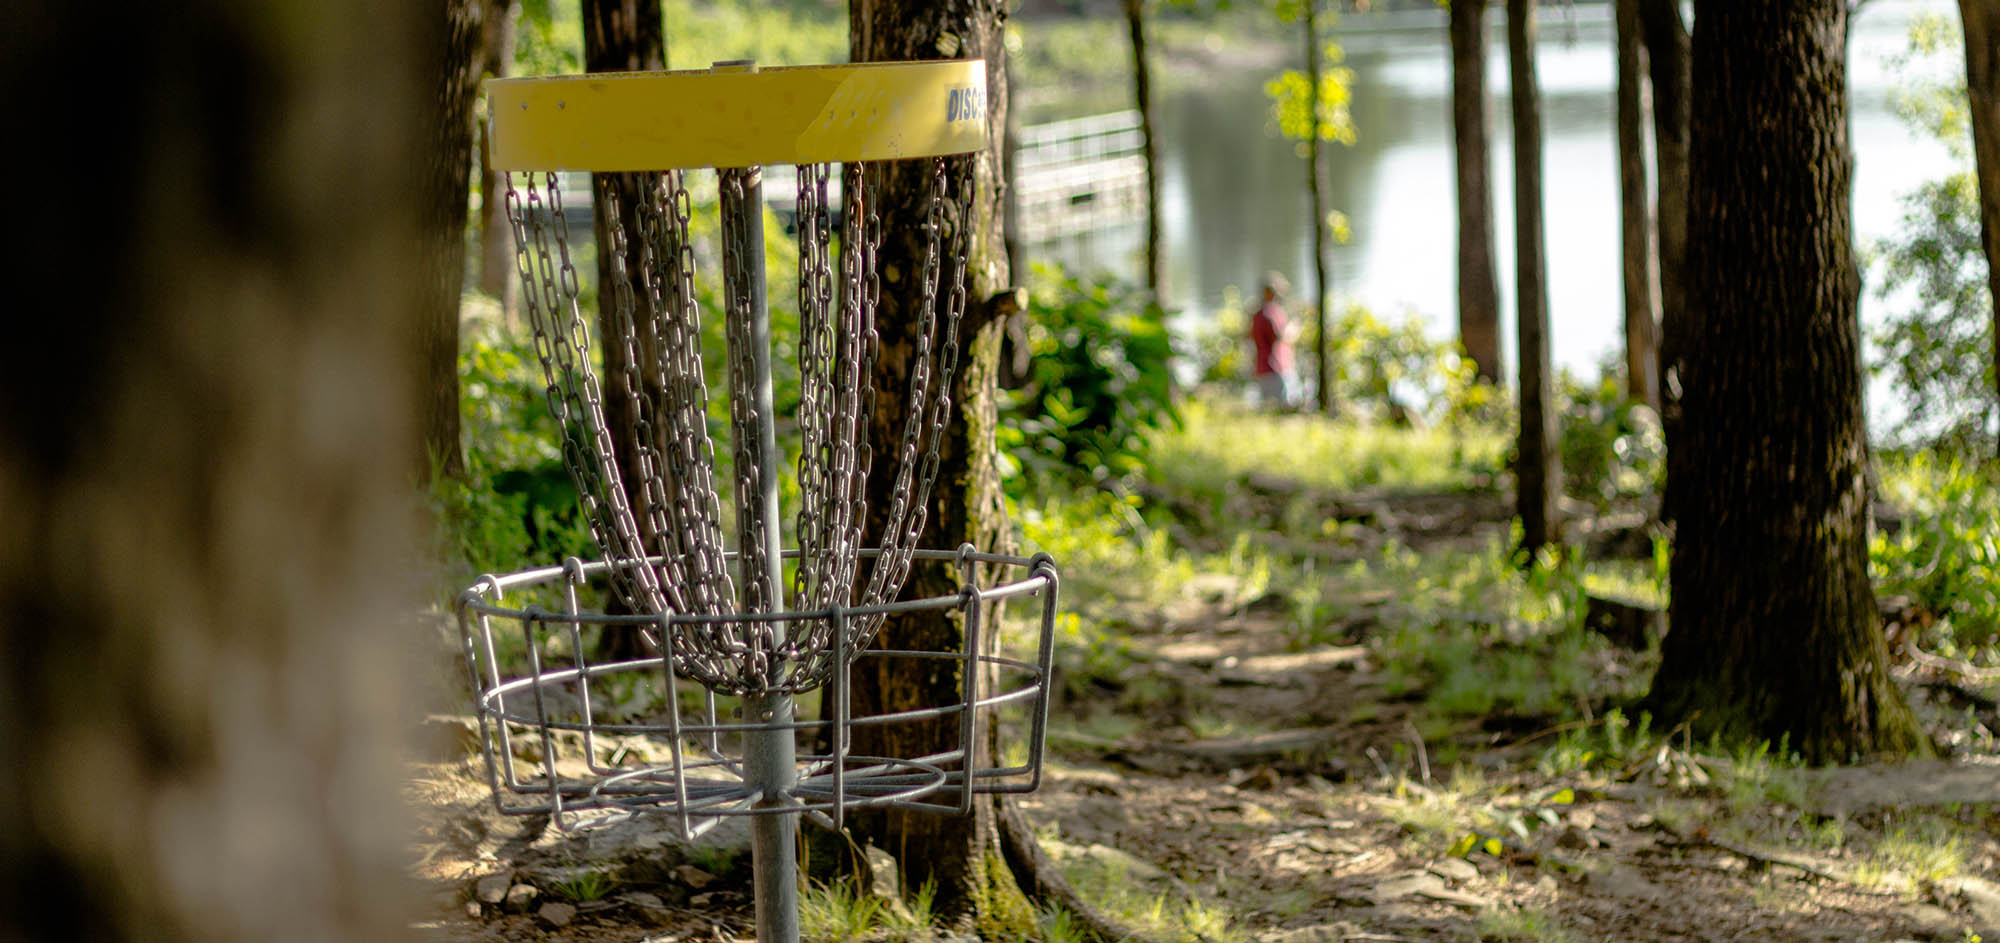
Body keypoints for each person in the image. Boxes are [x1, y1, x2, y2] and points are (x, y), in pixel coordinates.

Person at [1248, 273, 1300, 410]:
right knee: (1283, 408)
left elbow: (1250, 338)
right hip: (1276, 369)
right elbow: (1280, 336)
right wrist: (1294, 327)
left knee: (1268, 409)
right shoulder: (1271, 312)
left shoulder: (1256, 313)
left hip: (1262, 369)